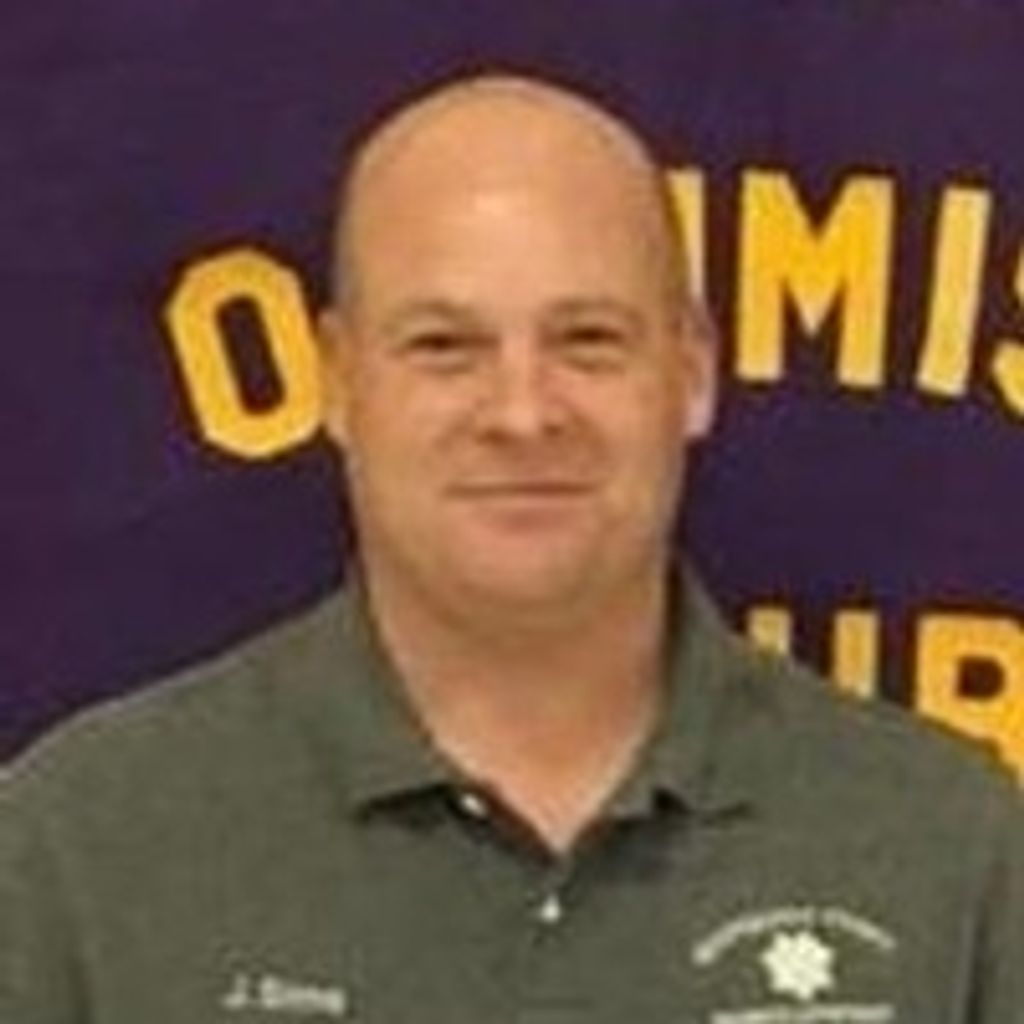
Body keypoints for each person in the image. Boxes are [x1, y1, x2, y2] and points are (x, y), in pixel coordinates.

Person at [2, 74, 1021, 1024]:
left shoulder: (950, 848)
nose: (523, 412)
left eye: (588, 340)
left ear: (692, 372)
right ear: (338, 382)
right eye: (444, 346)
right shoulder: (77, 850)